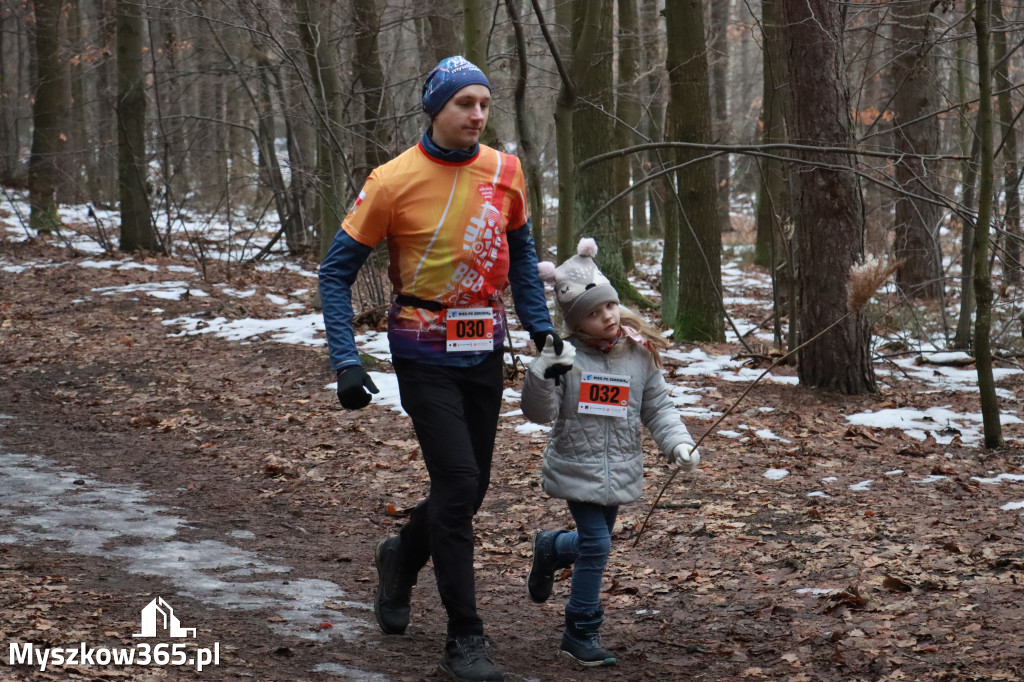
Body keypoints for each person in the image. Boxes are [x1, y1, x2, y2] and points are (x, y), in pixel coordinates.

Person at [318, 56, 569, 682]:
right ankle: (466, 637)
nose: (477, 115)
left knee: (470, 488)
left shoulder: (505, 172)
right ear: (435, 108)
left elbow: (521, 251)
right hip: (420, 343)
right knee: (458, 485)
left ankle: (401, 557)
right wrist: (347, 361)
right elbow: (334, 273)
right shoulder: (392, 180)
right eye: (464, 104)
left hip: (485, 341)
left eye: (484, 104)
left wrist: (544, 333)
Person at [519, 237, 701, 667]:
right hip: (575, 465)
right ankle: (579, 631)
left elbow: (657, 407)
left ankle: (551, 548)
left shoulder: (638, 355)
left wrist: (678, 442)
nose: (607, 316)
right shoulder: (566, 357)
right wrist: (542, 371)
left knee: (589, 542)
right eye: (595, 313)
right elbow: (540, 412)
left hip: (620, 468)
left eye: (610, 307)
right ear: (578, 323)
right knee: (599, 544)